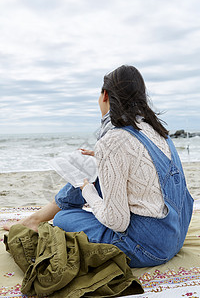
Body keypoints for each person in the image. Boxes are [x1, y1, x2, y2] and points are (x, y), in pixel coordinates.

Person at [4, 65, 194, 268]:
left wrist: (86, 189)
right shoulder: (156, 130)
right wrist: (101, 158)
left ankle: (36, 219)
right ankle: (35, 219)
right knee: (92, 169)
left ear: (105, 95)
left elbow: (117, 221)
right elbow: (147, 164)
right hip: (175, 235)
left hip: (147, 248)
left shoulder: (114, 139)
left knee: (63, 218)